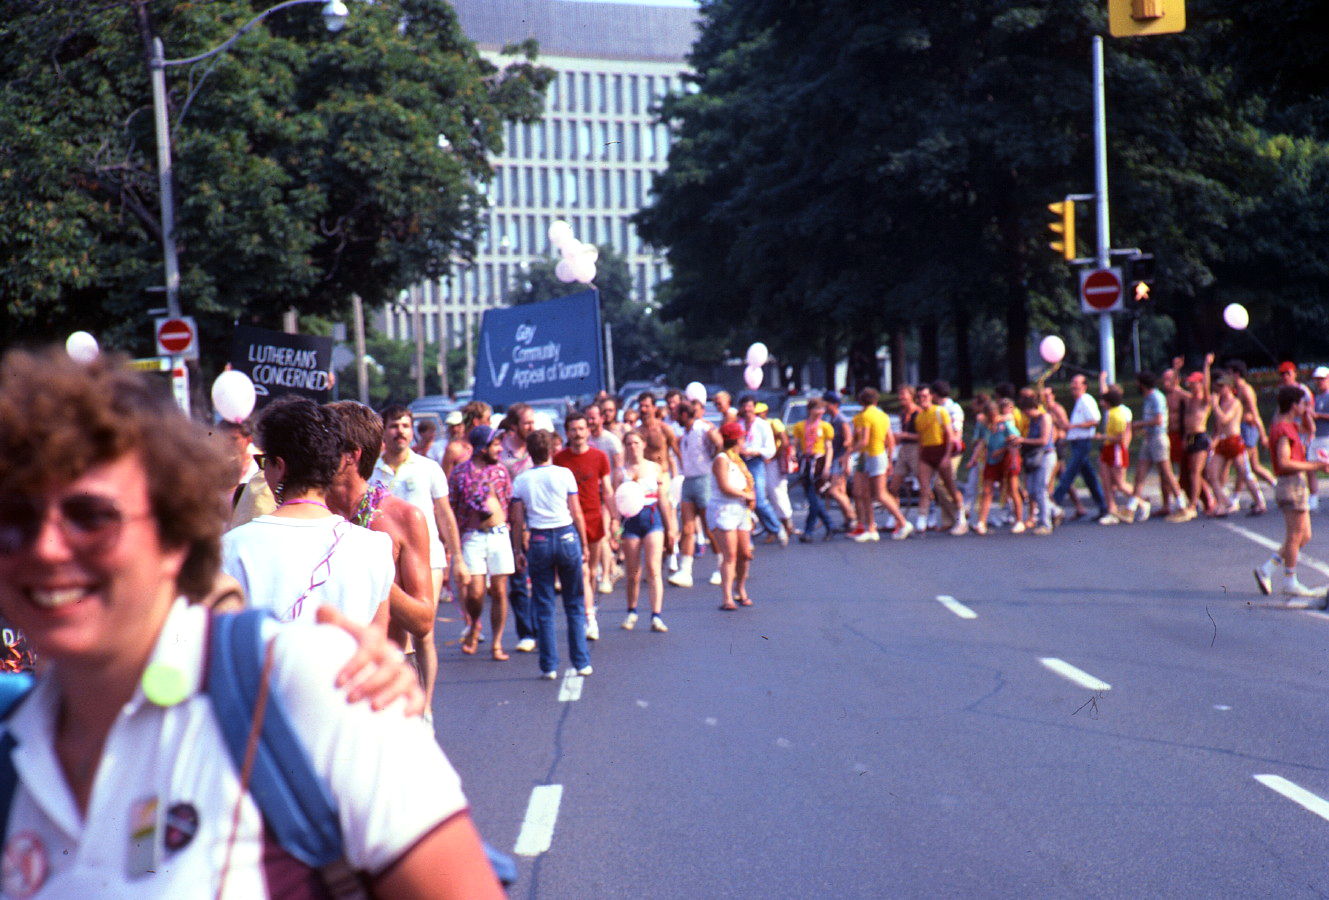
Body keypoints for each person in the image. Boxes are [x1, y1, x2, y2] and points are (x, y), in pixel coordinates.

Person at [0, 348, 502, 897]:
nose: (47, 549)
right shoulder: (12, 736)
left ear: (171, 535)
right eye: (14, 521)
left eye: (91, 516)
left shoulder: (308, 685)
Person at [222, 397, 394, 626]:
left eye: (265, 462)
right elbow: (376, 647)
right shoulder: (375, 547)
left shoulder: (231, 547)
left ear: (279, 467)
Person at [326, 401, 442, 713]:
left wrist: (374, 573)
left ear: (351, 456)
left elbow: (423, 620)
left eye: (324, 446)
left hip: (384, 678)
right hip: (324, 675)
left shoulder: (403, 517)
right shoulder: (308, 513)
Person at [370, 404, 465, 704]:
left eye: (405, 426)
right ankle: (402, 698)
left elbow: (445, 515)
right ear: (383, 431)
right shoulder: (371, 471)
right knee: (393, 634)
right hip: (385, 560)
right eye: (394, 426)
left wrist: (458, 558)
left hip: (428, 559)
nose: (400, 432)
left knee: (421, 630)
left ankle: (425, 707)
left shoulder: (428, 468)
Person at [510, 430, 593, 679]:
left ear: (529, 452)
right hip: (566, 535)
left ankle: (549, 666)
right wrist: (585, 544)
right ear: (551, 451)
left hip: (539, 538)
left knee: (544, 604)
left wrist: (517, 550)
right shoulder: (564, 474)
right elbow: (576, 512)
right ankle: (581, 662)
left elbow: (517, 520)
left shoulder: (522, 480)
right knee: (574, 603)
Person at [1254, 385, 1329, 604]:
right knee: (1295, 536)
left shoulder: (1289, 425)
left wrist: (1306, 413)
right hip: (1290, 484)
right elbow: (1285, 461)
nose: (1306, 407)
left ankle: (1267, 569)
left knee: (1303, 536)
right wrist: (1315, 465)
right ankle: (1290, 579)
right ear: (1293, 405)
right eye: (1303, 404)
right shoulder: (1284, 430)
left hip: (1295, 483)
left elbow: (1309, 428)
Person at [449, 425, 515, 660]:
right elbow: (453, 509)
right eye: (495, 445)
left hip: (498, 535)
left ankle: (497, 643)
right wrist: (452, 546)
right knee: (475, 593)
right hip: (473, 537)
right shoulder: (459, 474)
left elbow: (507, 500)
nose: (499, 449)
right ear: (482, 447)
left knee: (499, 590)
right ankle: (474, 624)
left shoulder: (500, 472)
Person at [554, 411, 617, 640]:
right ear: (567, 433)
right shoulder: (559, 459)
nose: (578, 433)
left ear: (587, 431)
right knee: (580, 571)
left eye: (581, 429)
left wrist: (615, 517)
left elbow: (607, 490)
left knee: (591, 571)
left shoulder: (599, 456)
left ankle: (588, 608)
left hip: (594, 520)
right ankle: (588, 617)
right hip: (569, 523)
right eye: (573, 430)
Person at [614, 430, 676, 632]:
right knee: (633, 572)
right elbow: (615, 504)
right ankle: (631, 611)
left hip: (652, 519)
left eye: (636, 442)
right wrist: (614, 527)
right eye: (629, 443)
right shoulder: (620, 472)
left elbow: (663, 500)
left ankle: (656, 615)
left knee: (653, 569)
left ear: (643, 444)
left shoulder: (655, 468)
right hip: (630, 522)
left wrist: (671, 527)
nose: (633, 447)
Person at [496, 404, 539, 654]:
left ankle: (540, 629)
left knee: (541, 579)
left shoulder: (538, 448)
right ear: (514, 426)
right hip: (511, 523)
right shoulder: (502, 452)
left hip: (537, 522)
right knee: (519, 580)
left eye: (533, 423)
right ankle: (526, 632)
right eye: (527, 424)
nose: (532, 428)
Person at [667, 399, 717, 588]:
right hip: (688, 481)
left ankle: (721, 566)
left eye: (677, 414)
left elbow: (717, 440)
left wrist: (713, 456)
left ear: (685, 415)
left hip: (703, 479)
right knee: (687, 528)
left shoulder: (701, 428)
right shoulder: (686, 433)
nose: (675, 417)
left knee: (709, 527)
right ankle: (685, 571)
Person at [851, 387, 913, 541]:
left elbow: (864, 441)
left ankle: (903, 522)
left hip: (871, 455)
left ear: (861, 402)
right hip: (879, 455)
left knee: (880, 493)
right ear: (876, 401)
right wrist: (890, 459)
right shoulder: (883, 416)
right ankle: (871, 528)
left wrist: (848, 453)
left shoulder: (864, 416)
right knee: (867, 493)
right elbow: (890, 440)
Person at [709, 422, 756, 609]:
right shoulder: (722, 459)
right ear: (736, 439)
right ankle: (727, 597)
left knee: (745, 554)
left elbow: (747, 483)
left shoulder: (737, 459)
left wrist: (751, 498)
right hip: (724, 509)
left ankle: (740, 588)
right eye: (742, 437)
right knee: (730, 554)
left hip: (740, 510)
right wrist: (746, 495)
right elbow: (724, 486)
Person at [1052, 374, 1107, 522]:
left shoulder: (1086, 400)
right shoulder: (1079, 402)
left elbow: (1095, 421)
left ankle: (1053, 505)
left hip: (1082, 442)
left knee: (1068, 475)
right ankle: (1103, 506)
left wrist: (1073, 426)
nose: (1073, 386)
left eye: (1076, 383)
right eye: (1072, 382)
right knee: (1089, 478)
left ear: (1084, 386)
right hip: (1076, 442)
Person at [914, 385, 968, 536]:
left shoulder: (940, 411)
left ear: (931, 396)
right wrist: (919, 458)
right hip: (927, 452)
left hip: (941, 450)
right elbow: (921, 440)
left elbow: (950, 435)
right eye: (919, 397)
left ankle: (961, 517)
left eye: (925, 396)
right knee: (924, 488)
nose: (922, 400)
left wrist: (946, 456)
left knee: (949, 486)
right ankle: (922, 520)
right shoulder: (919, 416)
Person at [1210, 375, 1266, 515]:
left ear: (1229, 388)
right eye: (1218, 387)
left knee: (1244, 472)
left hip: (1234, 440)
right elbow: (1218, 426)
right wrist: (1214, 439)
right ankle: (1224, 503)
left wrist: (1215, 405)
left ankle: (1260, 502)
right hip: (1222, 441)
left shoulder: (1235, 403)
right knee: (1212, 474)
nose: (1219, 390)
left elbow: (1225, 419)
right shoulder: (1221, 403)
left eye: (1222, 387)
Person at [969, 399, 1024, 535]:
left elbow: (1015, 440)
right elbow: (982, 442)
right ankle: (981, 522)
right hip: (992, 460)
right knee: (987, 490)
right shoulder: (984, 426)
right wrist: (973, 459)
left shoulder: (1005, 424)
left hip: (1007, 458)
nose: (992, 419)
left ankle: (1019, 520)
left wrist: (1001, 450)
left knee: (1012, 489)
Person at [585, 402, 624, 594]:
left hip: (606, 493)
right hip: (590, 494)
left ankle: (607, 576)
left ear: (602, 418)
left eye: (594, 417)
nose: (591, 421)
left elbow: (618, 470)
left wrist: (614, 496)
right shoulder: (586, 440)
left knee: (604, 535)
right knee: (599, 536)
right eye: (588, 418)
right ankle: (610, 569)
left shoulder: (611, 441)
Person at [737, 395, 787, 544]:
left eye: (750, 406)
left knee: (759, 500)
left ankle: (777, 527)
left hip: (756, 462)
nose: (747, 410)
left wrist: (755, 452)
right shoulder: (738, 424)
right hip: (740, 463)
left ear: (754, 407)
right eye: (744, 407)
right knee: (744, 500)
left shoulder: (762, 425)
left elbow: (770, 449)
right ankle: (758, 531)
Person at [791, 398, 836, 541]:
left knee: (814, 497)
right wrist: (792, 454)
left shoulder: (826, 427)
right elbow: (795, 444)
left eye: (822, 409)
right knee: (812, 497)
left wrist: (827, 466)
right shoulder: (800, 426)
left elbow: (829, 448)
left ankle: (809, 531)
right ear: (810, 410)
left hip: (820, 462)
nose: (820, 412)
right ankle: (829, 525)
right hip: (806, 462)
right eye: (817, 409)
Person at [1228, 359, 1276, 489]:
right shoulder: (1235, 389)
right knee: (1254, 467)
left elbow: (1255, 413)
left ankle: (1235, 497)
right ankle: (1275, 484)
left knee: (1243, 466)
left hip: (1248, 429)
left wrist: (1263, 435)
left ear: (1237, 374)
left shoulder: (1246, 390)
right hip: (1241, 428)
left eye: (1230, 373)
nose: (1228, 376)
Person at [1278, 361, 1319, 511]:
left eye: (1288, 373)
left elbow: (1309, 410)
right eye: (1282, 374)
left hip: (1301, 431)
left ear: (1294, 373)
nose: (1285, 377)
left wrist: (1311, 431)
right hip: (1290, 430)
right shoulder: (1282, 391)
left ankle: (1312, 496)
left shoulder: (1303, 390)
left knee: (1306, 464)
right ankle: (1302, 495)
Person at [1095, 381, 1134, 525]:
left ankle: (1139, 500)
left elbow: (1123, 435)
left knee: (1119, 482)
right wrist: (1102, 379)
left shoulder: (1120, 413)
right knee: (1106, 481)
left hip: (1116, 448)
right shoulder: (1110, 412)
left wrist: (1103, 437)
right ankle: (1112, 510)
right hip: (1107, 448)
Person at [1017, 393, 1056, 534]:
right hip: (1034, 456)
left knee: (1040, 489)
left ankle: (1045, 523)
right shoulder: (1032, 421)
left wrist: (1022, 440)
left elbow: (1044, 440)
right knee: (1032, 491)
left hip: (1045, 455)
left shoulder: (1044, 418)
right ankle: (1055, 511)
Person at [822, 392, 858, 533]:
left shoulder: (841, 420)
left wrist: (847, 461)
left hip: (841, 458)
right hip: (836, 458)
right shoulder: (831, 419)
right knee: (841, 491)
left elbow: (849, 441)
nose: (824, 406)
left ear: (834, 404)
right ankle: (848, 520)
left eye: (826, 403)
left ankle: (852, 516)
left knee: (834, 491)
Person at [441, 401, 492, 479]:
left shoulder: (491, 445)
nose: (490, 423)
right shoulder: (455, 449)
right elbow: (445, 482)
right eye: (488, 419)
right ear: (476, 422)